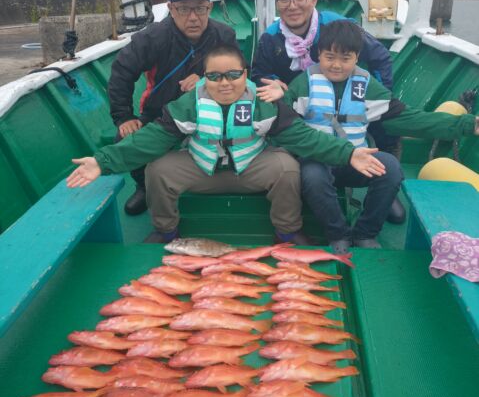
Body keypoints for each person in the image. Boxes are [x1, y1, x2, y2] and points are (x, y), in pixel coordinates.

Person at [68, 45, 387, 246]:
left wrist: (349, 153)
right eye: (215, 76)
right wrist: (101, 162)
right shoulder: (188, 105)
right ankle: (166, 231)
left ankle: (287, 232)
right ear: (204, 77)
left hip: (250, 169)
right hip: (202, 169)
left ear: (245, 74)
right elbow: (149, 140)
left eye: (233, 74)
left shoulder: (264, 104)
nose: (224, 83)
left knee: (288, 167)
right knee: (158, 169)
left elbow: (304, 138)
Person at [258, 20, 479, 253]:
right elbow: (284, 122)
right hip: (318, 161)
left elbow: (411, 119)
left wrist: (467, 124)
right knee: (312, 176)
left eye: (345, 58)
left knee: (390, 168)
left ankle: (365, 233)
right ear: (319, 54)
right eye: (329, 57)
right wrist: (280, 96)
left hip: (358, 161)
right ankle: (338, 234)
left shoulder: (366, 85)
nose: (336, 65)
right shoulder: (304, 84)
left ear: (357, 57)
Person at [251, 0, 405, 224]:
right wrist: (278, 86)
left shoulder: (339, 26)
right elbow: (259, 76)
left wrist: (376, 99)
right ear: (277, 3)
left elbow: (380, 58)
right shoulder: (270, 38)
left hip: (346, 101)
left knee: (386, 116)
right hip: (302, 109)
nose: (292, 5)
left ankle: (382, 181)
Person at [108, 0, 239, 216]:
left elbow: (240, 76)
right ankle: (144, 186)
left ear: (209, 8)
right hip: (160, 114)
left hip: (211, 113)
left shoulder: (224, 36)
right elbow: (121, 71)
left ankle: (220, 180)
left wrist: (207, 80)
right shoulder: (152, 37)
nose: (193, 17)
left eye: (200, 8)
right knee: (124, 137)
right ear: (170, 8)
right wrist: (124, 117)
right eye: (183, 9)